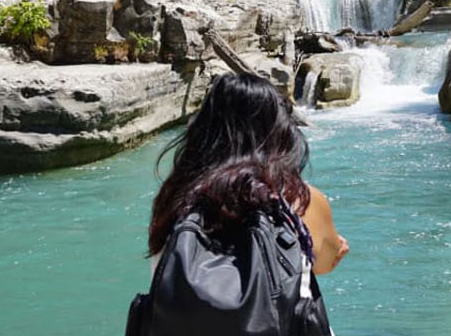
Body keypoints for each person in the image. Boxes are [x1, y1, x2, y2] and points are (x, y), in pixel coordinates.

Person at [147, 72, 350, 276]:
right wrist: (335, 248)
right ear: (281, 133)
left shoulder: (174, 198)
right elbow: (324, 264)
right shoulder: (299, 199)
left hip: (176, 308)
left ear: (202, 131)